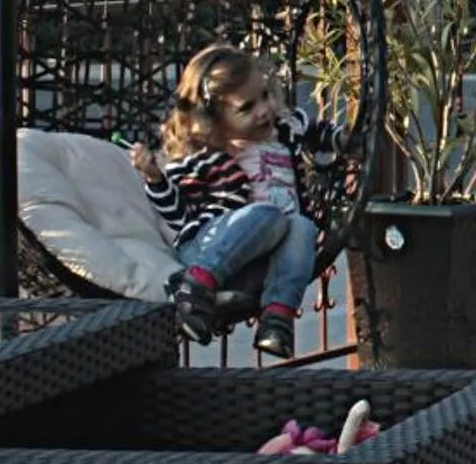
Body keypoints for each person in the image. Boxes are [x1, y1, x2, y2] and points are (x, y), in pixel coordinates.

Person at [131, 42, 342, 360]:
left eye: (266, 96)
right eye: (246, 107)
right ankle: (194, 291)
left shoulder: (285, 130)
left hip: (260, 263)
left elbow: (318, 130)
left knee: (302, 226)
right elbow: (179, 215)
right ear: (212, 119)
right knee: (268, 215)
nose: (264, 110)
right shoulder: (206, 158)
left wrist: (346, 138)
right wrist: (154, 178)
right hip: (210, 250)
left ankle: (276, 319)